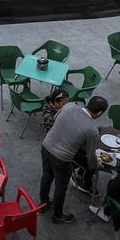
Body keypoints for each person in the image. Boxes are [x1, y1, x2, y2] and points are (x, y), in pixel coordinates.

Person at [40, 95, 108, 224]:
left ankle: (43, 204)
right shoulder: (92, 130)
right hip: (62, 159)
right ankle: (58, 215)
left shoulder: (69, 106)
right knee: (61, 186)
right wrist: (96, 166)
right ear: (99, 113)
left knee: (46, 177)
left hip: (46, 146)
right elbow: (91, 156)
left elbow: (55, 118)